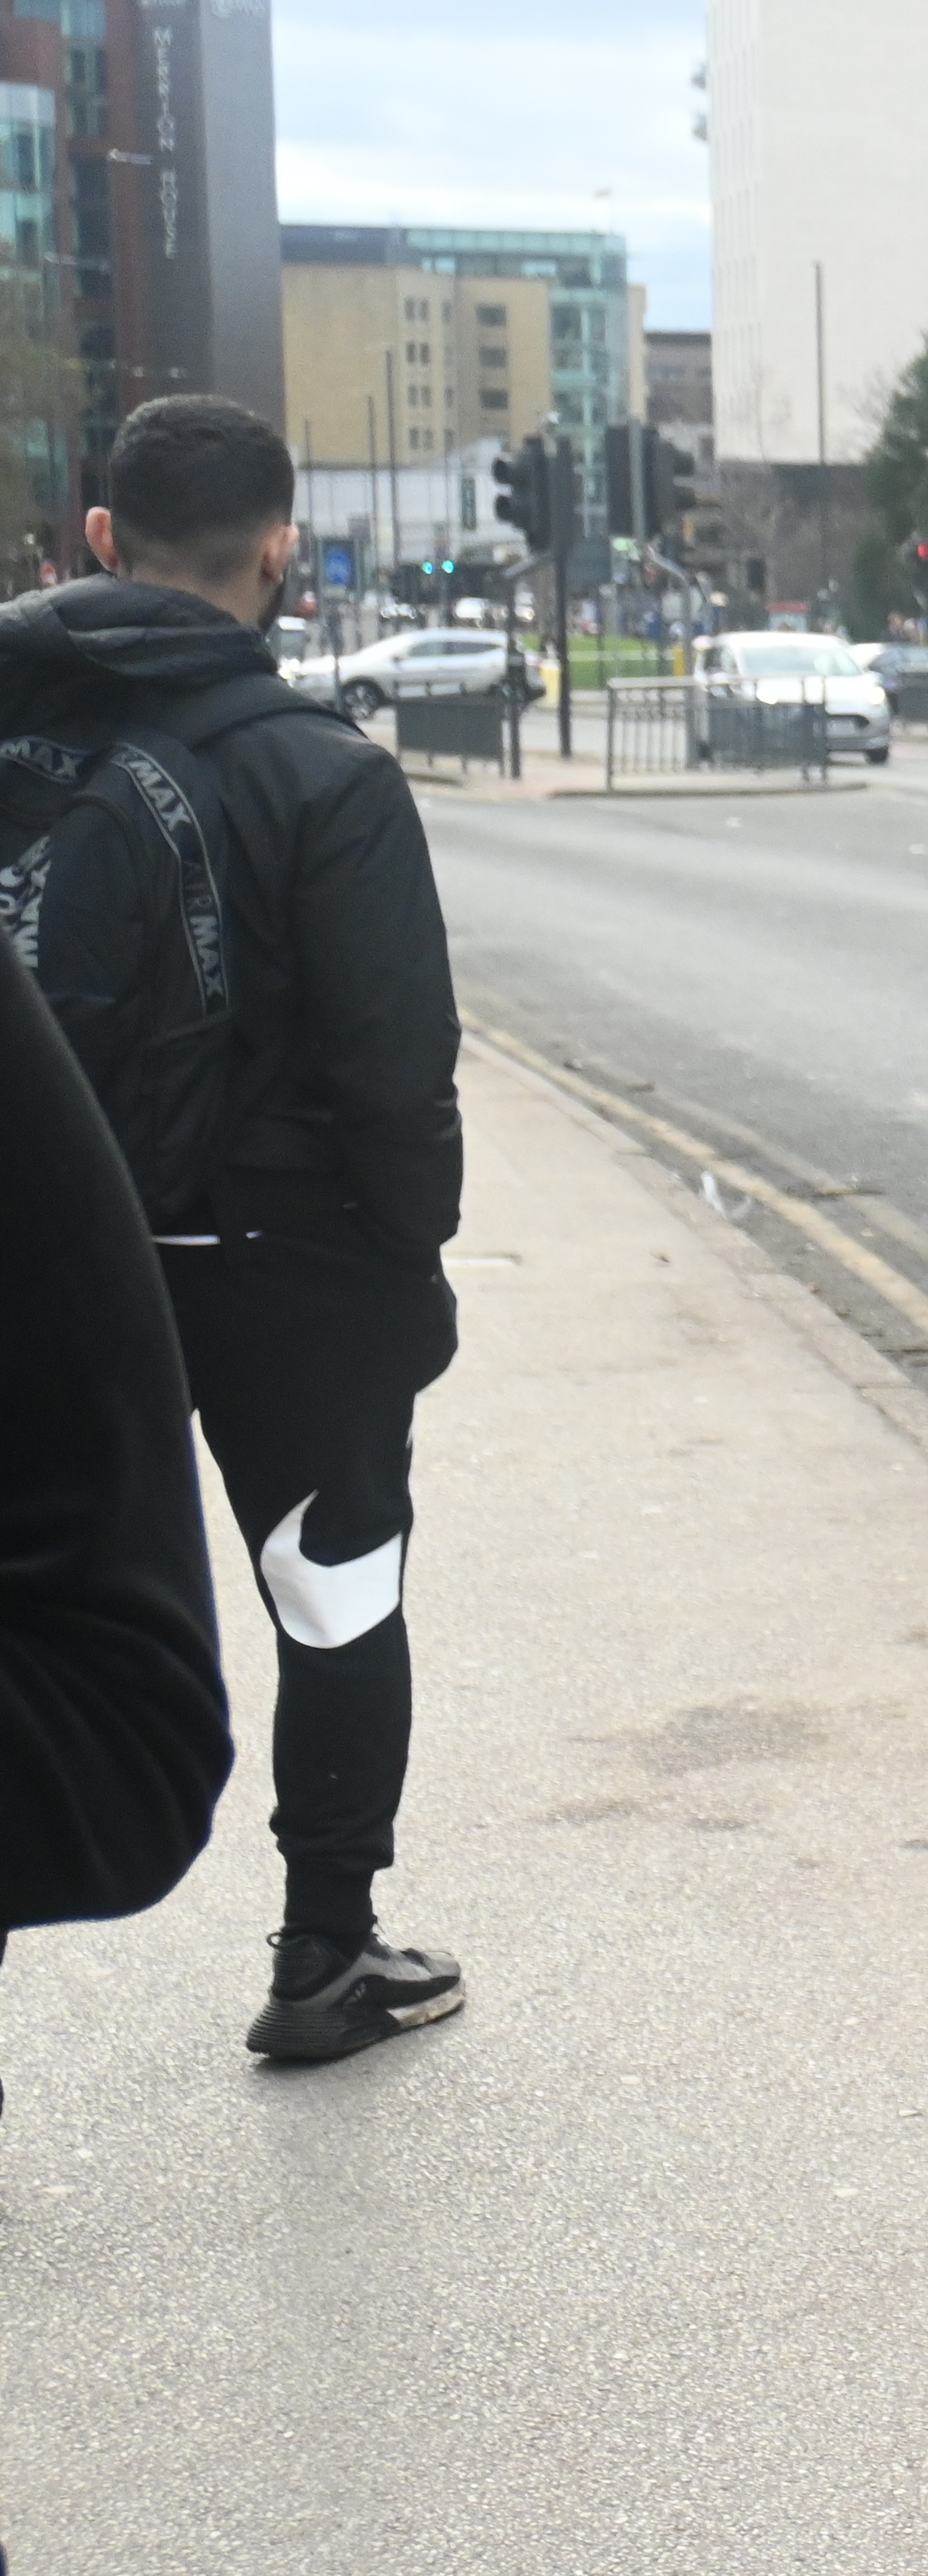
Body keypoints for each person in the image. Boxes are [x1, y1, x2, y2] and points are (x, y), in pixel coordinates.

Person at [0, 394, 468, 2064]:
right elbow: (397, 1071)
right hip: (286, 1269)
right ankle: (325, 1953)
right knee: (335, 1596)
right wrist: (412, 1260)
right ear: (281, 552)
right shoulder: (325, 776)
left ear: (103, 544)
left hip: (47, 1261)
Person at [0, 941, 232, 1948]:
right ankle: (330, 1930)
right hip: (271, 1241)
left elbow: (131, 1744)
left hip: (266, 1253)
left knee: (332, 1580)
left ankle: (331, 1924)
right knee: (333, 1586)